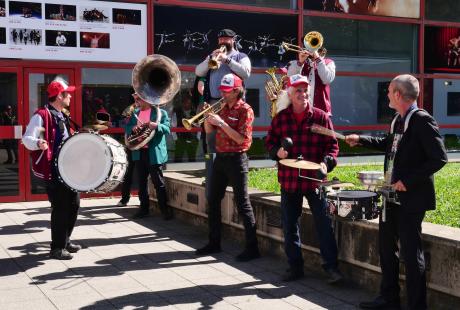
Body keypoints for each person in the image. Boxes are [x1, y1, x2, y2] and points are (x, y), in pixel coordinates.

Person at [345, 74, 447, 310]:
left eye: (390, 91)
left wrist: (408, 181)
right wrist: (360, 139)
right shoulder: (398, 120)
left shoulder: (422, 120)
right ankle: (389, 298)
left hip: (411, 199)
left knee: (411, 256)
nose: (388, 95)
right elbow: (388, 144)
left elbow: (439, 158)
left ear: (399, 95)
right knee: (386, 249)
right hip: (390, 197)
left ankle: (416, 306)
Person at [265, 74, 343, 284]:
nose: (303, 94)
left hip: (314, 180)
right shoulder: (280, 118)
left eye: (305, 89)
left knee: (324, 224)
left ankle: (331, 268)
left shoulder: (321, 117)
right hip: (289, 180)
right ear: (290, 94)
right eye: (298, 90)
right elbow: (269, 143)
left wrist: (327, 163)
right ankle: (295, 267)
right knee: (290, 226)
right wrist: (277, 152)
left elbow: (333, 146)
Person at [195, 73, 259, 262]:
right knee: (213, 200)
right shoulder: (222, 107)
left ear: (237, 91)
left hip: (237, 159)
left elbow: (242, 139)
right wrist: (207, 120)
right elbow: (210, 134)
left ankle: (252, 247)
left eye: (226, 90)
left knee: (243, 203)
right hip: (221, 158)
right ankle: (214, 242)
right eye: (222, 89)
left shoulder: (245, 110)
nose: (222, 93)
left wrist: (221, 123)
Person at [22, 79, 81, 260]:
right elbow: (28, 138)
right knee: (61, 208)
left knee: (74, 205)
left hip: (67, 170)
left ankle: (65, 240)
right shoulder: (42, 116)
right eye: (67, 93)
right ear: (59, 96)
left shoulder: (62, 114)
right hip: (54, 171)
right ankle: (57, 248)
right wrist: (38, 142)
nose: (70, 96)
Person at [195, 28, 251, 200]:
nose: (222, 42)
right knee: (211, 141)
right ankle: (212, 174)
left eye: (226, 39)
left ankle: (232, 176)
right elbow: (199, 71)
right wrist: (211, 59)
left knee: (232, 138)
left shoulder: (241, 57)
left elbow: (246, 73)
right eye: (220, 39)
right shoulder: (212, 54)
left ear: (233, 40)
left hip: (232, 104)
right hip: (213, 102)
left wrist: (227, 60)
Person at [125, 93, 173, 220]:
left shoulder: (160, 113)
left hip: (153, 152)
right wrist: (133, 128)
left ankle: (164, 210)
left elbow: (167, 129)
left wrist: (156, 126)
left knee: (158, 182)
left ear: (146, 99)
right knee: (141, 183)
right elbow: (127, 128)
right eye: (135, 99)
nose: (136, 101)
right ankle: (143, 209)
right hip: (139, 152)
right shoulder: (135, 113)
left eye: (138, 99)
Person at [286, 35, 335, 115]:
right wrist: (300, 62)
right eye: (307, 46)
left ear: (320, 47)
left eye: (312, 46)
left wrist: (318, 59)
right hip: (301, 112)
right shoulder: (297, 63)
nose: (309, 49)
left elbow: (327, 79)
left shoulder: (328, 63)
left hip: (322, 112)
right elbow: (291, 80)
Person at [171, 90, 199, 162]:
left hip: (193, 139)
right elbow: (173, 125)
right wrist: (176, 139)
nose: (187, 104)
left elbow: (198, 126)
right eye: (185, 102)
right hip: (180, 139)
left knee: (192, 158)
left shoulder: (195, 112)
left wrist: (197, 138)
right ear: (182, 103)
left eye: (189, 103)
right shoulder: (177, 112)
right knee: (178, 158)